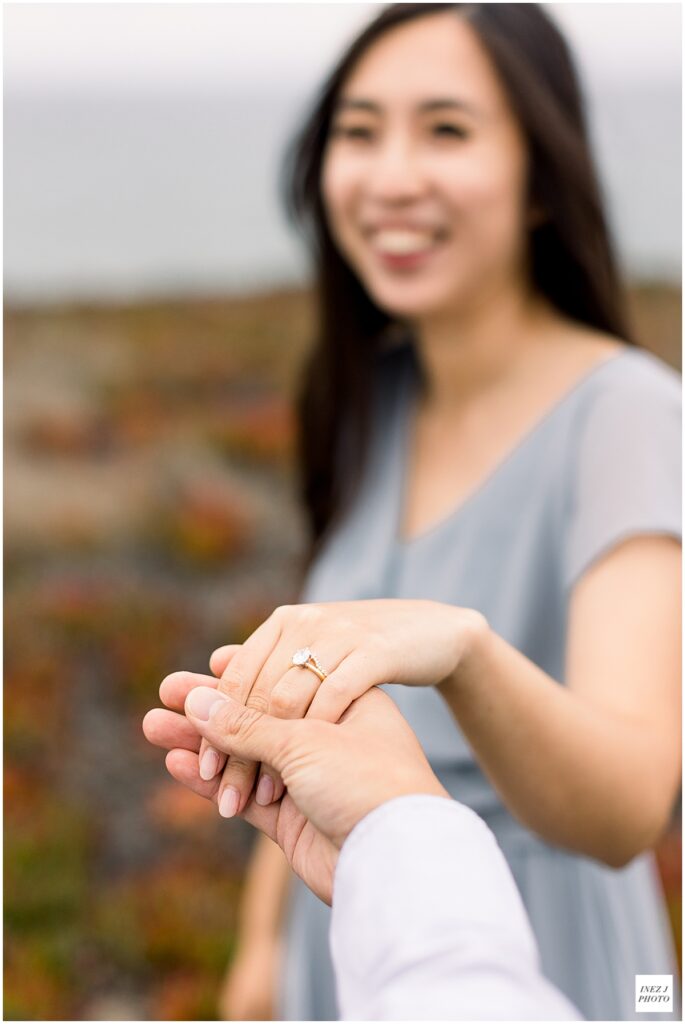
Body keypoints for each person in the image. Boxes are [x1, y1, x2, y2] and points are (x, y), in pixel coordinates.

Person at [163, 4, 682, 1020]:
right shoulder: (372, 394)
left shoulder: (627, 414)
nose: (391, 175)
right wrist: (261, 947)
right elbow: (304, 697)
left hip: (542, 952)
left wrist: (465, 651)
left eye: (445, 129)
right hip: (346, 917)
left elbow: (631, 803)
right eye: (359, 132)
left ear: (541, 175)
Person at [143, 676, 581, 1020]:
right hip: (349, 858)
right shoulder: (332, 558)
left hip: (487, 876)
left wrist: (468, 652)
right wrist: (261, 937)